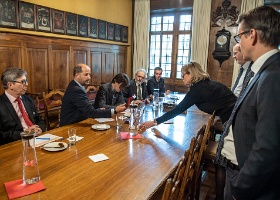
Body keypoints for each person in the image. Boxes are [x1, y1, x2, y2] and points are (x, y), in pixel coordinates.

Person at [218, 6, 280, 199]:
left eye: (239, 37)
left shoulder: (273, 75)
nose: (238, 43)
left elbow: (269, 147)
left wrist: (239, 187)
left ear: (251, 35)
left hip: (249, 187)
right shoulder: (262, 70)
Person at [139, 62, 237, 130]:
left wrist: (154, 122)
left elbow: (177, 110)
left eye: (183, 75)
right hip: (235, 114)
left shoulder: (198, 89)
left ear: (191, 75)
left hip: (235, 118)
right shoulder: (204, 84)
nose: (182, 78)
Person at [60, 64, 127, 126]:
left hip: (78, 123)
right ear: (76, 75)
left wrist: (99, 110)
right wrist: (115, 110)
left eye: (89, 75)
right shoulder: (76, 89)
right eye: (86, 75)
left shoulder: (75, 85)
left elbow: (84, 108)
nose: (89, 77)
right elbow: (89, 112)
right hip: (70, 126)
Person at [0, 68, 46, 145]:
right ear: (10, 85)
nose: (26, 84)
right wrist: (24, 133)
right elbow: (1, 135)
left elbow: (39, 119)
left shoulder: (28, 99)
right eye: (23, 82)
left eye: (26, 81)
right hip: (15, 144)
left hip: (38, 139)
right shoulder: (1, 104)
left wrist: (40, 129)